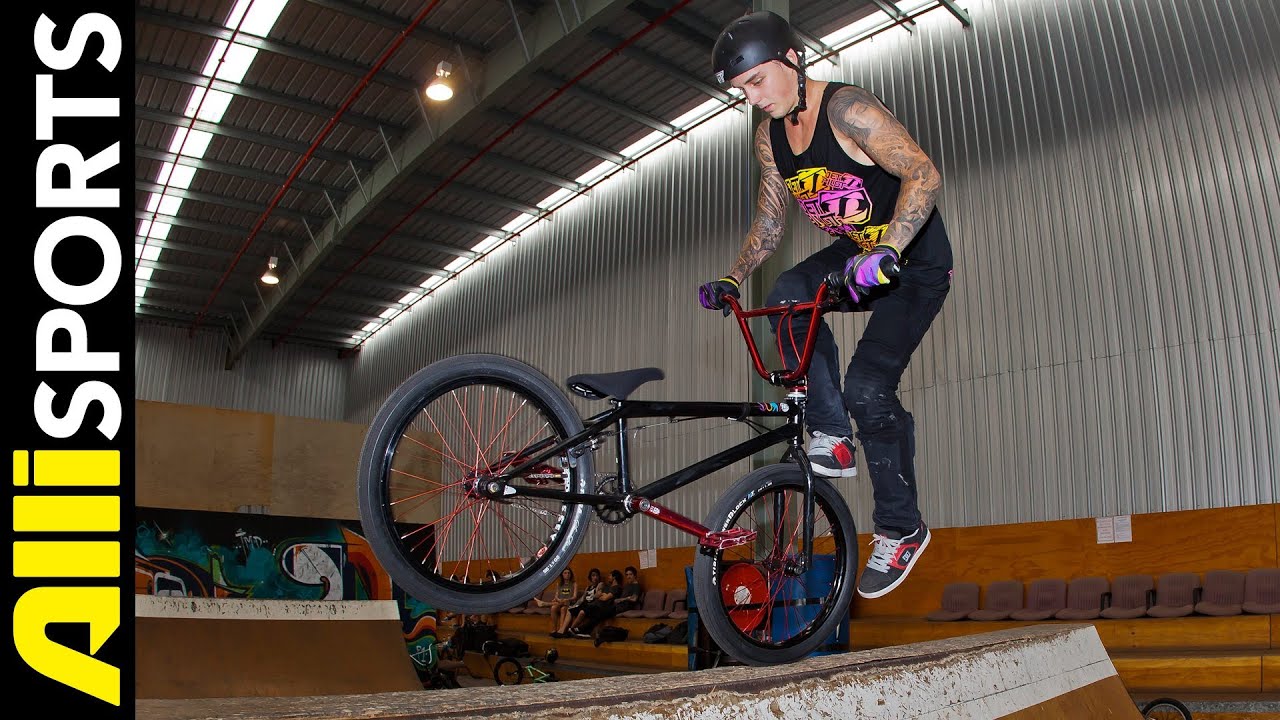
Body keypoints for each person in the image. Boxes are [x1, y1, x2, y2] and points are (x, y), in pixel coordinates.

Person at [699, 11, 953, 600]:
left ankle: (900, 529)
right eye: (743, 89)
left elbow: (922, 172)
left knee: (869, 385)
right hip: (858, 254)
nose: (753, 97)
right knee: (789, 290)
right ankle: (832, 436)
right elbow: (769, 221)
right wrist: (733, 277)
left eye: (758, 80)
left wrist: (890, 244)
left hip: (912, 265)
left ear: (793, 60)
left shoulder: (849, 110)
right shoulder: (769, 138)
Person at [566, 569, 624, 638]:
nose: (608, 577)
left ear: (614, 577)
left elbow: (604, 598)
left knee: (591, 611)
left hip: (606, 608)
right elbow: (596, 596)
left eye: (610, 576)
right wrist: (602, 595)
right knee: (580, 609)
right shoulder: (607, 587)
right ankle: (577, 630)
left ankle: (579, 630)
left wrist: (602, 595)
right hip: (597, 605)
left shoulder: (617, 588)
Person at [554, 567, 602, 638]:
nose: (595, 577)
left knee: (581, 612)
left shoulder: (600, 584)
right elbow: (582, 598)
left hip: (592, 605)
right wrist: (575, 605)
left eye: (596, 575)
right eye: (593, 575)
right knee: (570, 610)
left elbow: (597, 595)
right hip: (584, 604)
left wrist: (594, 592)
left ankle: (570, 630)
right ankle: (562, 630)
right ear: (590, 577)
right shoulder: (588, 587)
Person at [535, 567, 578, 635]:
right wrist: (559, 599)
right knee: (553, 608)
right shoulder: (559, 584)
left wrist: (567, 599)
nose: (567, 574)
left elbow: (574, 597)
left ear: (571, 575)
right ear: (562, 575)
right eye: (565, 573)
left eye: (569, 573)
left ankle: (544, 604)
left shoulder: (574, 584)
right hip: (560, 602)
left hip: (569, 603)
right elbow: (556, 596)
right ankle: (555, 629)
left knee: (563, 609)